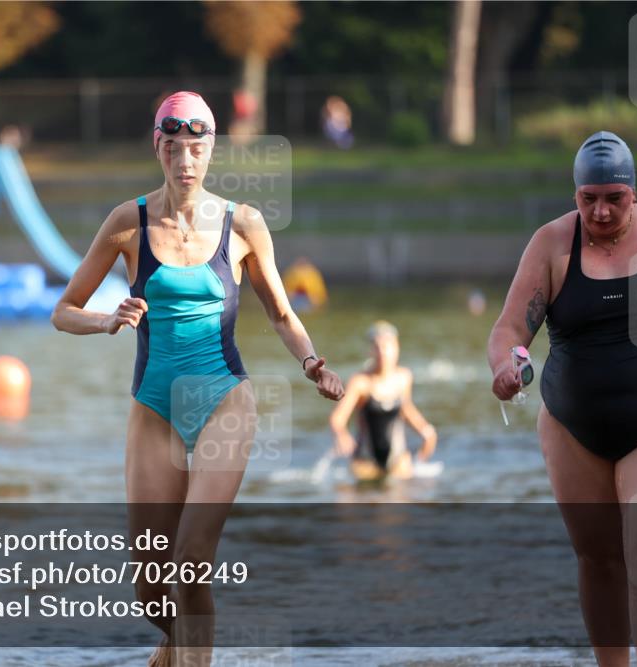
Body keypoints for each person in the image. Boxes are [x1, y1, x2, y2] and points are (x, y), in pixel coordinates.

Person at [51, 90, 344, 667]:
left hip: (223, 400)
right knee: (150, 588)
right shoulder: (127, 222)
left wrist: (313, 363)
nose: (184, 160)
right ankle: (177, 647)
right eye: (173, 147)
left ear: (212, 151)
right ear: (156, 147)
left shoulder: (244, 224)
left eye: (196, 147)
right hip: (153, 406)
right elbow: (63, 310)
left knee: (190, 557)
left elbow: (282, 314)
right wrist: (107, 320)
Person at [487, 131, 637, 665]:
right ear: (575, 194)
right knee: (599, 560)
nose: (600, 212)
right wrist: (506, 364)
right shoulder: (553, 243)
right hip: (572, 424)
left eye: (614, 199)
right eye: (588, 200)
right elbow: (511, 326)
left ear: (634, 192)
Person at [328, 321, 437, 480]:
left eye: (387, 346)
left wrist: (427, 431)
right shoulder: (360, 382)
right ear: (370, 351)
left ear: (396, 348)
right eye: (377, 347)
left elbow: (406, 409)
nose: (382, 352)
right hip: (365, 462)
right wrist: (341, 434)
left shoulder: (403, 377)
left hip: (398, 460)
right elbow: (337, 418)